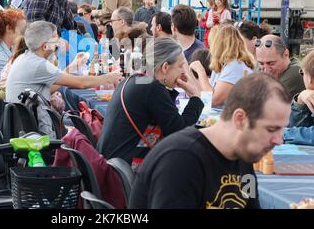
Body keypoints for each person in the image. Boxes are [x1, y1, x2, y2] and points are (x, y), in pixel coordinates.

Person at [129, 73, 291, 209]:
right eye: (271, 129)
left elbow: (250, 204)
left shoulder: (243, 157)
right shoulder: (181, 161)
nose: (279, 140)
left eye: (282, 129)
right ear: (240, 119)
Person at [97, 37, 204, 169]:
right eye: (181, 66)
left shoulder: (135, 80)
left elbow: (165, 118)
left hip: (113, 164)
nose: (183, 71)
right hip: (125, 171)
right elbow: (179, 130)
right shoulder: (151, 87)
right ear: (165, 67)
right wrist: (196, 99)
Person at [5, 21, 122, 103]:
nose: (60, 42)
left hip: (25, 125)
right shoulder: (39, 64)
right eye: (56, 39)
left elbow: (49, 88)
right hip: (35, 132)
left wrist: (73, 66)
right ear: (45, 46)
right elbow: (82, 83)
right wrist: (110, 77)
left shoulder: (26, 58)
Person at [190, 24, 255, 107]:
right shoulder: (225, 64)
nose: (210, 48)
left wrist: (201, 71)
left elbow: (212, 100)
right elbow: (203, 93)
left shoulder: (234, 65)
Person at [283, 46, 314, 146]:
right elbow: (296, 127)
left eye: (302, 72)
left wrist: (283, 133)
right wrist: (300, 102)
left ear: (309, 78)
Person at [255, 34, 305, 99]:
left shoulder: (296, 72)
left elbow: (261, 103)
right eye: (261, 63)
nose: (266, 71)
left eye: (271, 63)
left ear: (285, 54)